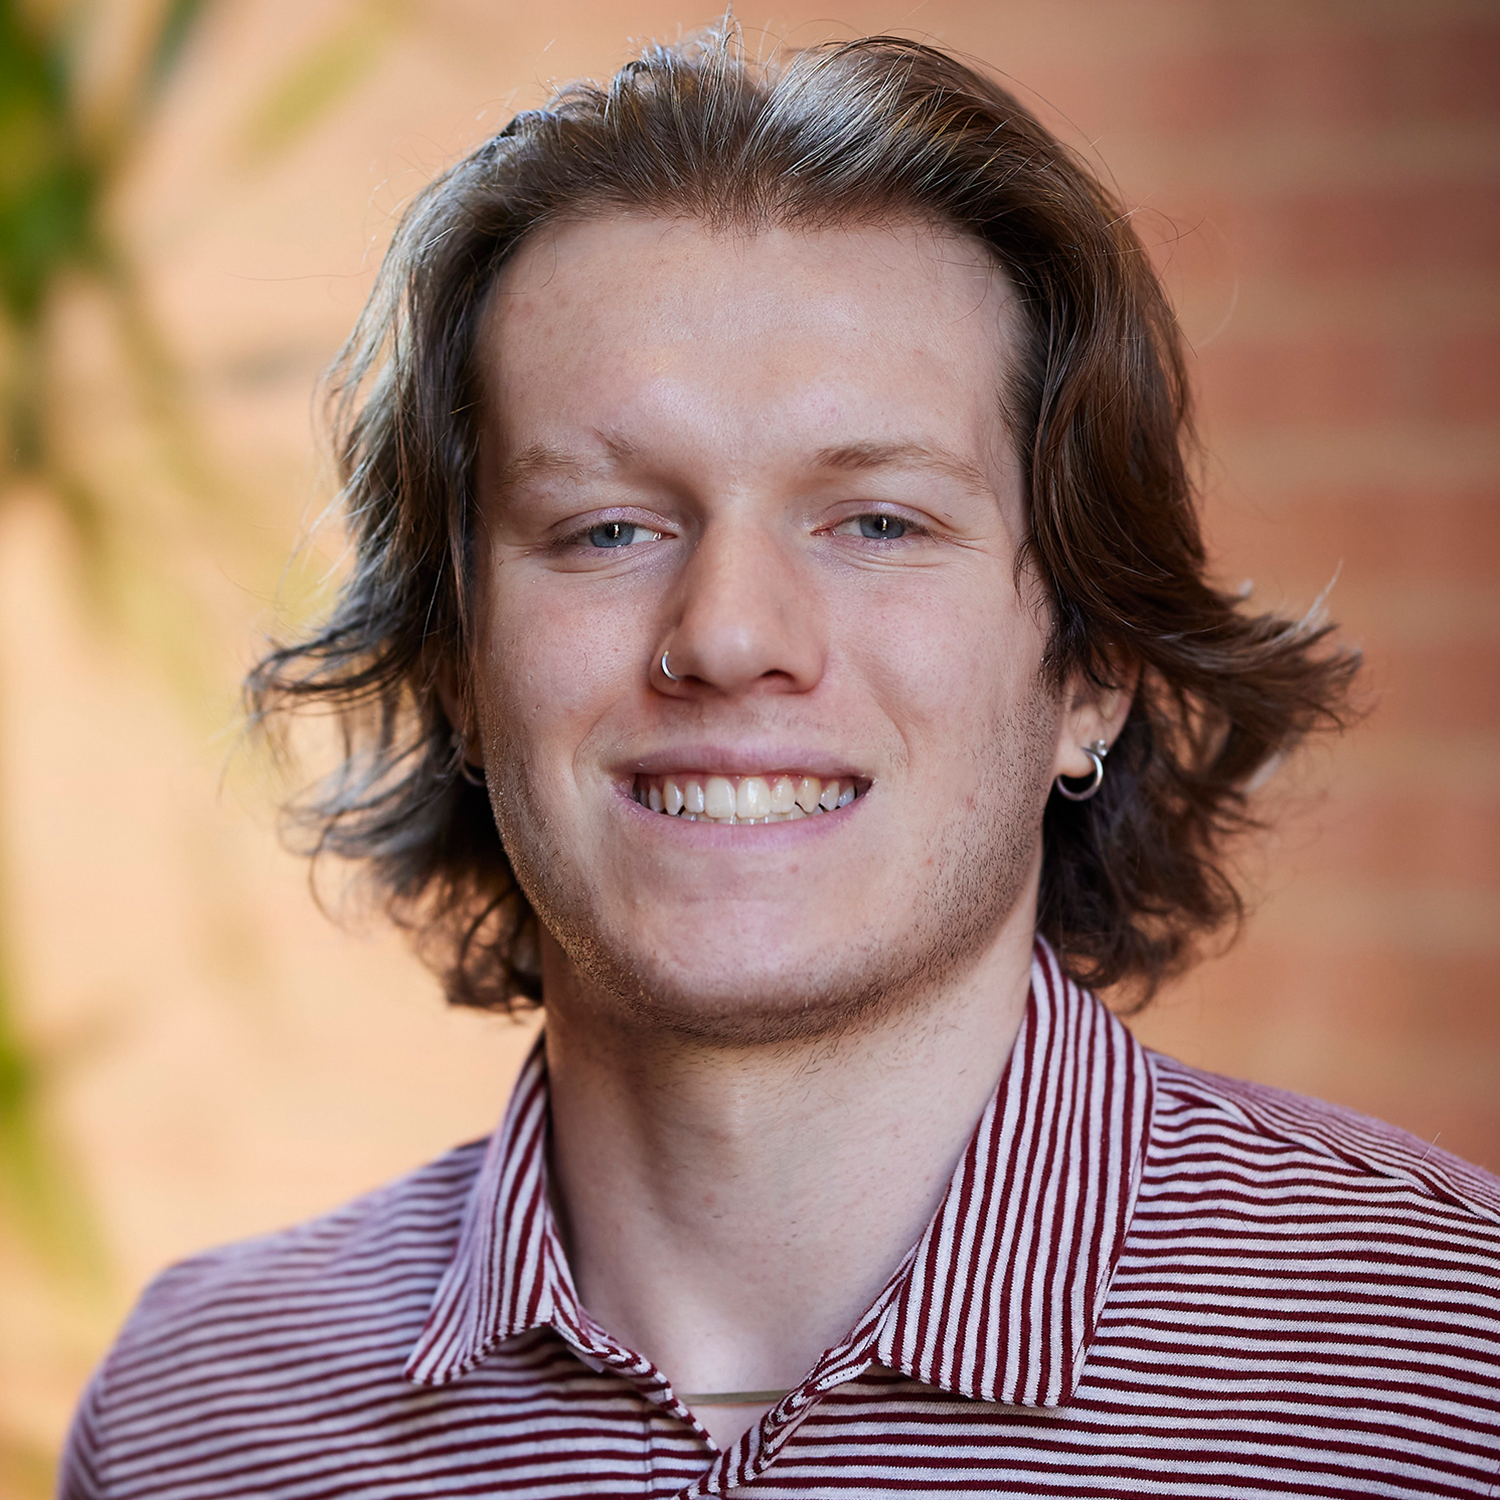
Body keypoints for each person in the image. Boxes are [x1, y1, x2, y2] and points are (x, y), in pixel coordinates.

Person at [58, 26, 1500, 1500]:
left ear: (1093, 668)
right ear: (457, 668)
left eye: (876, 520)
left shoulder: (1454, 1372)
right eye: (607, 527)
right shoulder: (198, 1419)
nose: (732, 634)